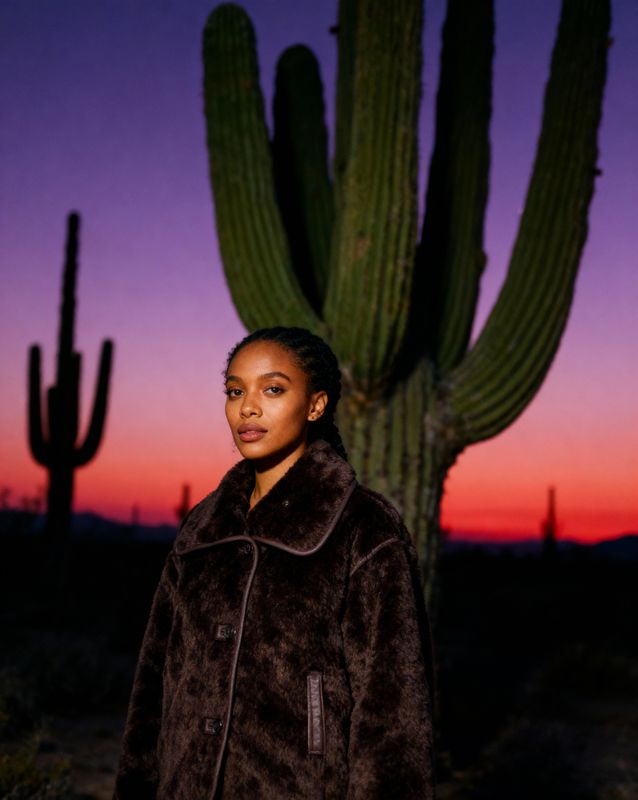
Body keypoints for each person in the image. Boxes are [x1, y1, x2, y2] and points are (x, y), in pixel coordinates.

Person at [114, 326, 436, 799]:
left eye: (273, 389)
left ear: (316, 405)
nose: (247, 406)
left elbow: (393, 716)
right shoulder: (202, 530)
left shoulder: (365, 528)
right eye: (235, 391)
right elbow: (152, 689)